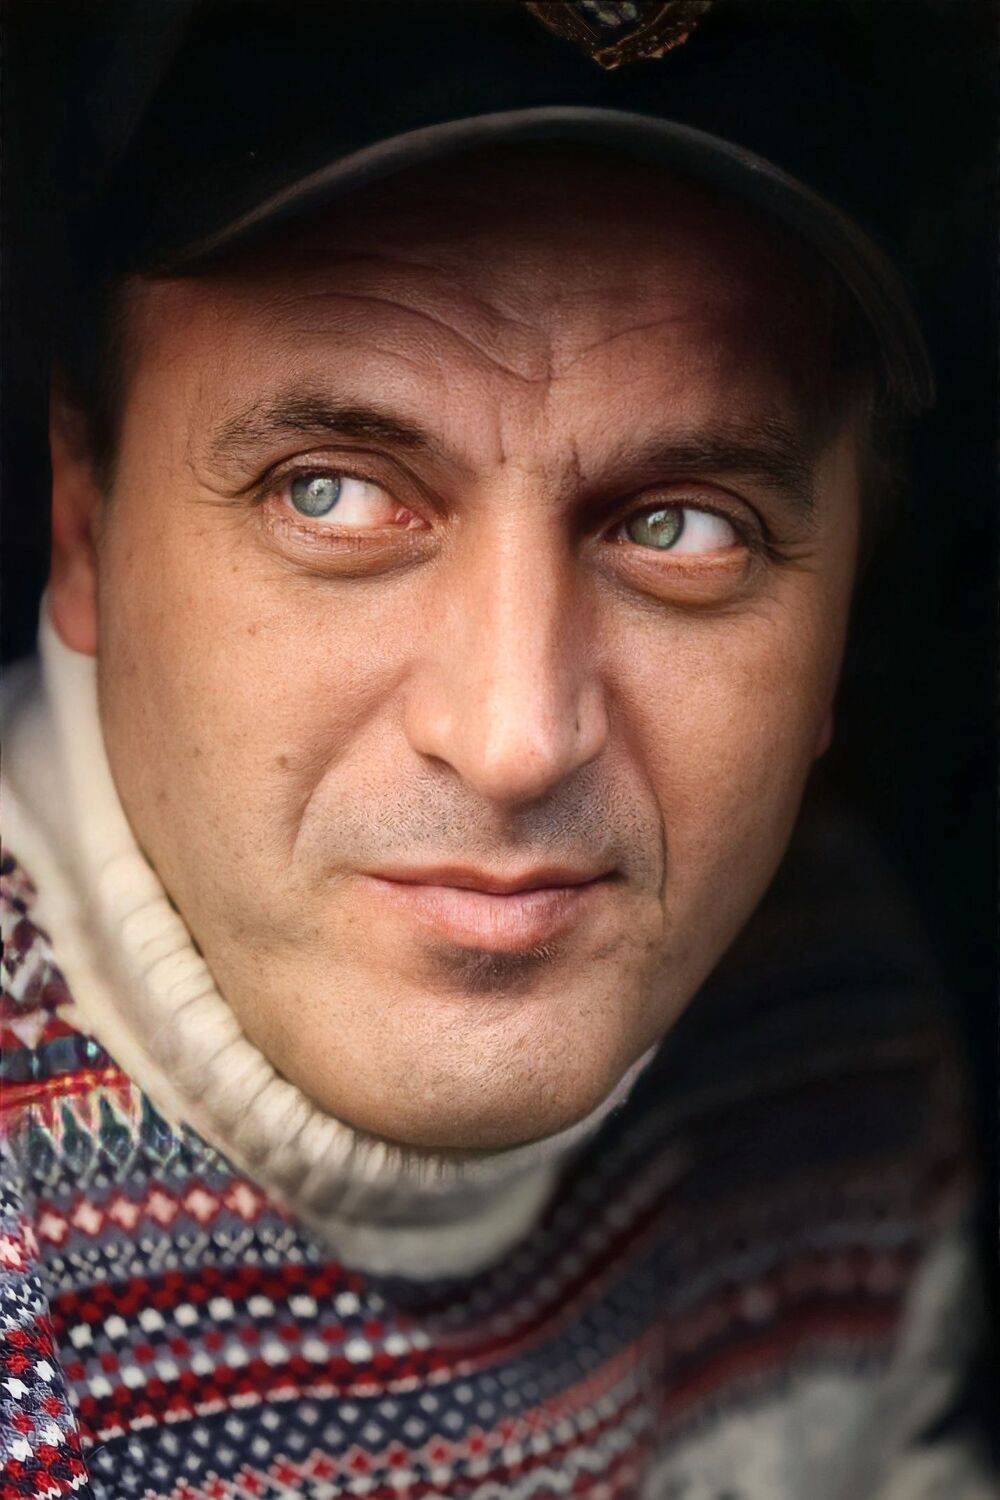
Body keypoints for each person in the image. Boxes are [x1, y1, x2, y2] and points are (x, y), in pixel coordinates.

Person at [1, 4, 993, 1497]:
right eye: (332, 494)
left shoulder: (834, 1029)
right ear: (85, 522)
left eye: (683, 528)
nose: (517, 740)